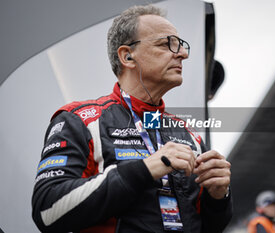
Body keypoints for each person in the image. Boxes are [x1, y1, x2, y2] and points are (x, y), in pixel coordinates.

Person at [31, 4, 233, 233]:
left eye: (181, 45)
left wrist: (219, 196)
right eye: (167, 44)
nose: (183, 54)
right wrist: (145, 169)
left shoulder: (188, 134)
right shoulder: (82, 120)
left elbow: (210, 226)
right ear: (127, 56)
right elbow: (46, 211)